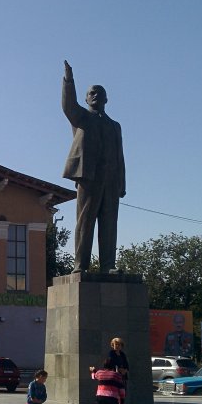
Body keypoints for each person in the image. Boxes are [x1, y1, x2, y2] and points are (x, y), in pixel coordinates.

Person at [61, 60, 126, 273]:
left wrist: (121, 184)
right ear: (86, 98)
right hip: (89, 177)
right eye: (91, 93)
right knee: (85, 221)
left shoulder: (115, 126)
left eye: (100, 93)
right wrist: (69, 81)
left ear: (107, 99)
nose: (96, 95)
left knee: (109, 224)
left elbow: (120, 157)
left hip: (111, 180)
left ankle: (108, 266)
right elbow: (68, 106)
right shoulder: (82, 118)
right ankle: (80, 265)